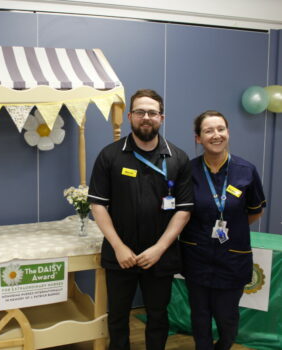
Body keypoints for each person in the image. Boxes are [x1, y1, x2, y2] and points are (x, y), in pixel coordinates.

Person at [88, 89, 193, 350]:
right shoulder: (110, 155)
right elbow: (98, 205)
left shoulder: (178, 158)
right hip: (119, 254)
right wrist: (118, 246)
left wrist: (159, 248)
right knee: (118, 317)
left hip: (161, 255)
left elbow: (184, 210)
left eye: (152, 112)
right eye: (140, 112)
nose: (146, 117)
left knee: (158, 316)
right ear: (130, 116)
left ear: (162, 117)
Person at [180, 110, 266, 350]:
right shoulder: (188, 171)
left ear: (228, 133)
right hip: (196, 257)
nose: (215, 135)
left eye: (220, 129)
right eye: (208, 130)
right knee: (200, 316)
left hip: (232, 259)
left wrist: (231, 230)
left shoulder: (246, 170)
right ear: (198, 138)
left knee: (227, 319)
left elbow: (255, 211)